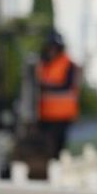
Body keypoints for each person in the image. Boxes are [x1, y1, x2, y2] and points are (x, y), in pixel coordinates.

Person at [35, 29, 80, 158]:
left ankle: (56, 163)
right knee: (44, 145)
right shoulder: (43, 63)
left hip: (62, 114)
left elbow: (67, 85)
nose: (51, 51)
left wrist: (47, 85)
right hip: (44, 114)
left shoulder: (68, 64)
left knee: (57, 146)